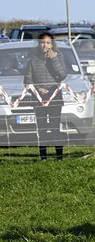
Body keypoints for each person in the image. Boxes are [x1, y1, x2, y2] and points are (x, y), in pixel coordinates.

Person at [23, 32, 67, 160]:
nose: (45, 45)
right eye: (43, 43)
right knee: (42, 129)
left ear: (52, 44)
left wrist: (53, 59)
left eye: (48, 43)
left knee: (55, 128)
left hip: (55, 97)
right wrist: (38, 89)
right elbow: (27, 81)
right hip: (39, 99)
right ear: (39, 44)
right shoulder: (33, 60)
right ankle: (43, 157)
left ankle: (59, 157)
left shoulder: (58, 57)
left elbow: (62, 75)